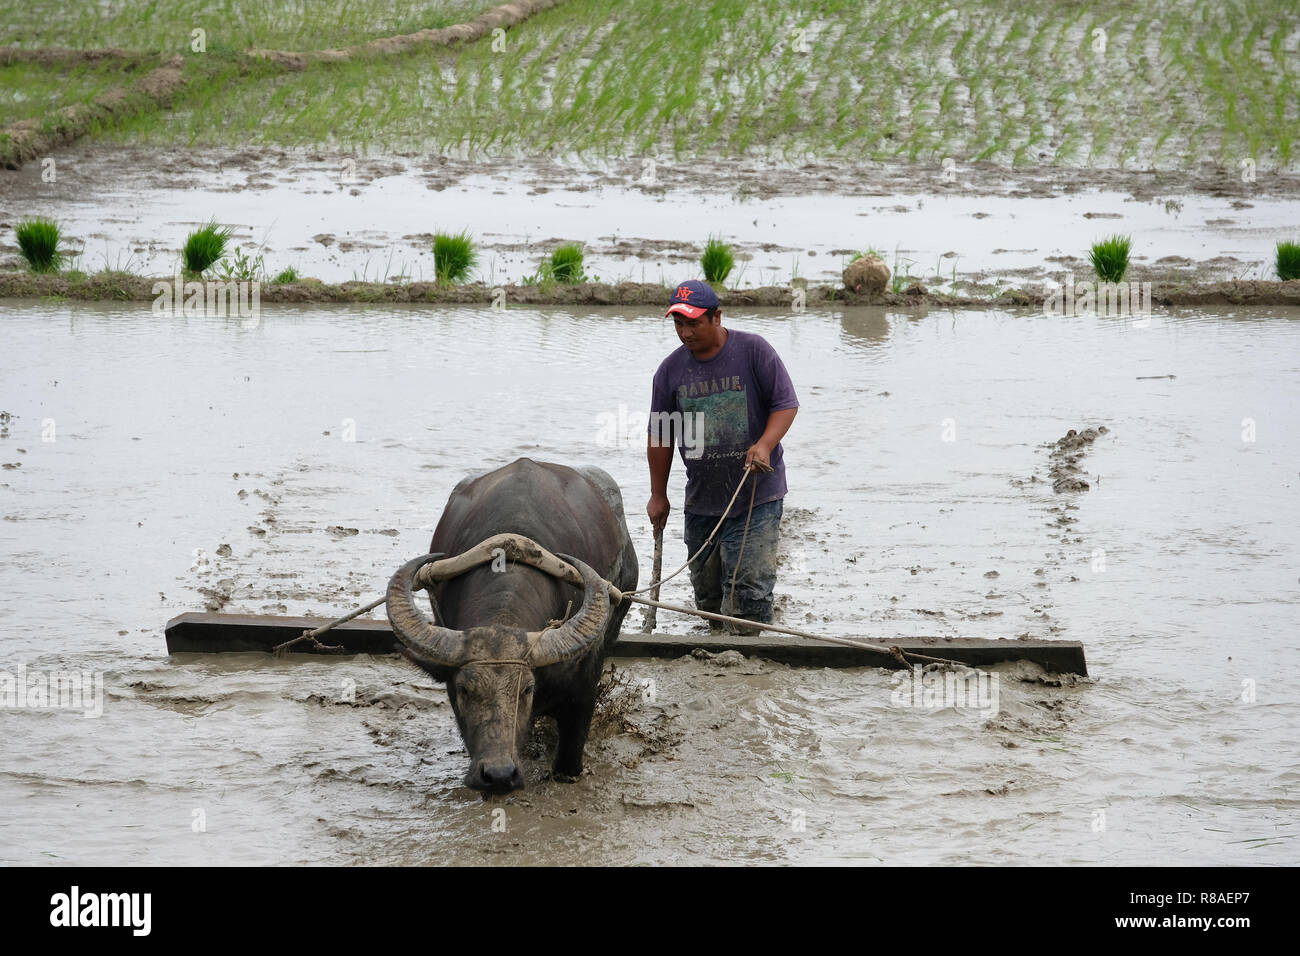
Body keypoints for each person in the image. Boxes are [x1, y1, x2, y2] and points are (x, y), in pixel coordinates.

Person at [646, 280, 799, 633]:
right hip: (702, 500)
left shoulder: (754, 351)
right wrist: (658, 494)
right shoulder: (670, 372)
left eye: (693, 323)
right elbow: (660, 436)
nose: (685, 333)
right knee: (709, 600)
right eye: (678, 324)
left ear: (717, 317)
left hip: (755, 496)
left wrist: (764, 444)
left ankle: (751, 667)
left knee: (748, 595)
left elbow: (785, 404)